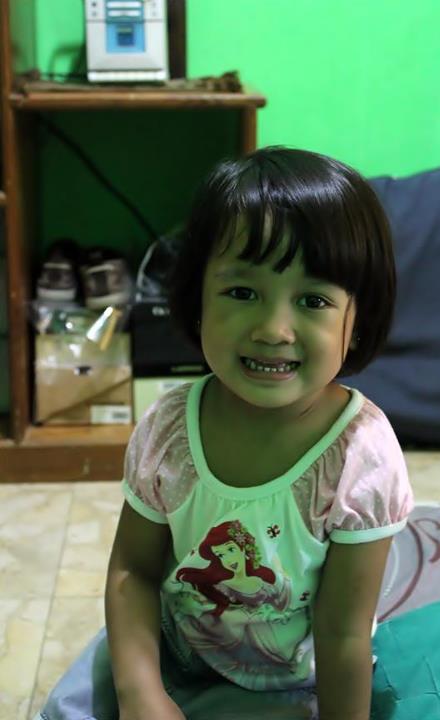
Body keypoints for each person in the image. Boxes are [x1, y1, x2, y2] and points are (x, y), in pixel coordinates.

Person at [35, 146, 414, 720]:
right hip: (168, 654)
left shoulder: (361, 456)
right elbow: (134, 572)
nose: (274, 329)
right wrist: (141, 693)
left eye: (313, 301)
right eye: (242, 293)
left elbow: (342, 635)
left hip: (293, 682)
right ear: (197, 300)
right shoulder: (168, 428)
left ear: (357, 323)